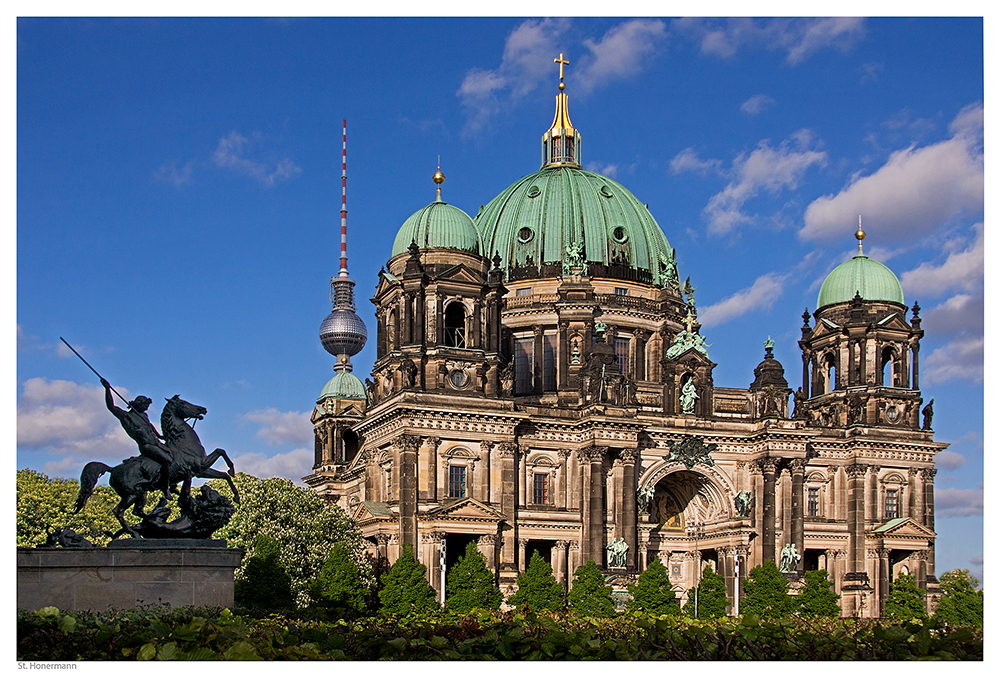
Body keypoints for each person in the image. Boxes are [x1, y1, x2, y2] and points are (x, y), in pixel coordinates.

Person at [101, 378, 174, 499]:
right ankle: (165, 488)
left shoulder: (143, 415)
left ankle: (173, 484)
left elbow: (149, 426)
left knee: (176, 457)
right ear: (139, 404)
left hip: (157, 443)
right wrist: (107, 389)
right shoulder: (126, 416)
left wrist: (160, 435)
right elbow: (111, 406)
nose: (147, 408)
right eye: (145, 405)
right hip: (147, 446)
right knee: (167, 461)